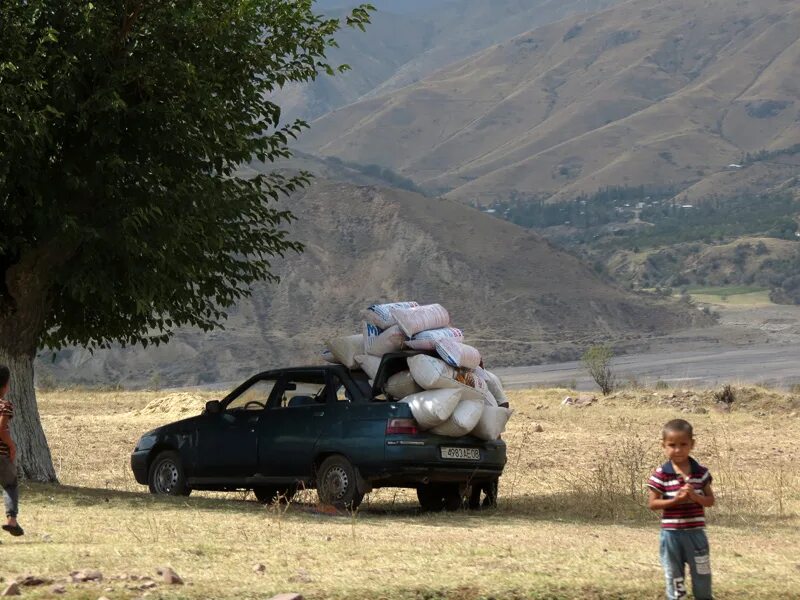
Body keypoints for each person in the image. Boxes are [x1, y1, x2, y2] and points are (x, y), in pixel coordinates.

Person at [647, 419, 714, 600]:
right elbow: (653, 504)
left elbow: (710, 501)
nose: (678, 450)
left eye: (683, 444)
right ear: (664, 446)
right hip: (671, 535)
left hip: (696, 534)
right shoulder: (661, 474)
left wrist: (695, 497)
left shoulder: (701, 473)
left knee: (702, 574)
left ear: (692, 444)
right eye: (672, 445)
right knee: (675, 576)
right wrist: (676, 500)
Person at [0, 365, 23, 536]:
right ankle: (11, 520)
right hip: (2, 457)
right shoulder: (5, 405)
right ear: (6, 385)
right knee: (10, 485)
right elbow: (1, 428)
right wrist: (11, 445)